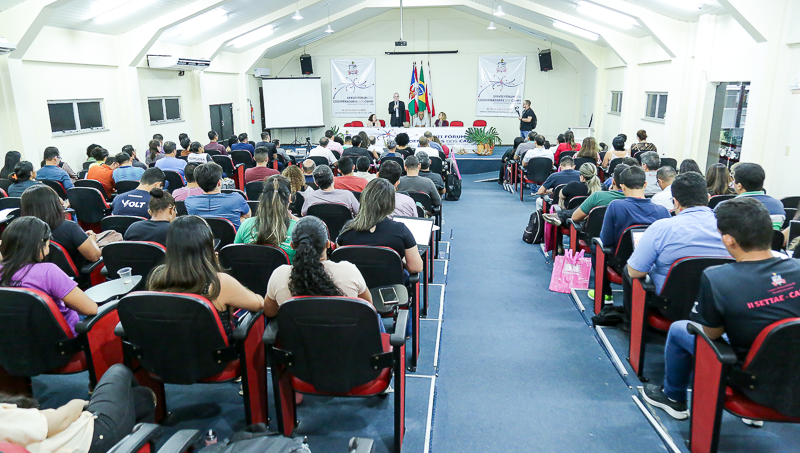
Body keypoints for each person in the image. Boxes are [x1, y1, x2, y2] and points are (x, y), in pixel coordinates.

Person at [641, 197, 800, 420]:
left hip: (749, 375)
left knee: (679, 329)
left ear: (729, 240)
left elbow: (711, 333)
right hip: (792, 369)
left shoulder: (718, 277)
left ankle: (673, 398)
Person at [624, 171, 731, 320]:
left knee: (629, 268)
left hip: (672, 307)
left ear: (676, 202)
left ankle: (633, 324)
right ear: (708, 198)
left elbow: (635, 272)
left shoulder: (661, 228)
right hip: (717, 306)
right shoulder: (730, 230)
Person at [0, 362, 156, 453]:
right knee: (119, 371)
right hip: (93, 438)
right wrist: (81, 403)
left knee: (141, 398)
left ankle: (142, 434)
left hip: (76, 443)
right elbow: (60, 420)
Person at [147, 216, 263, 339]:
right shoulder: (219, 283)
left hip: (171, 352)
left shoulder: (157, 277)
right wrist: (216, 269)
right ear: (207, 248)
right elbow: (259, 304)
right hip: (214, 356)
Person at [0, 217, 98, 335]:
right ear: (40, 244)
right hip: (64, 337)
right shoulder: (48, 272)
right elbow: (91, 309)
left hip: (20, 339)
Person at [263, 216, 375, 317]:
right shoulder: (349, 271)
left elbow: (269, 312)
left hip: (296, 340)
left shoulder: (279, 275)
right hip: (344, 339)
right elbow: (368, 307)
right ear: (327, 244)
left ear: (292, 245)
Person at [593, 166, 671, 301]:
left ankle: (605, 292)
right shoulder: (662, 211)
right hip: (653, 265)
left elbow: (605, 240)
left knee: (597, 246)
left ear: (622, 187)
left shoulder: (615, 206)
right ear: (645, 184)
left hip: (621, 263)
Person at [338, 178, 424, 274]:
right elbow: (416, 267)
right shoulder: (400, 230)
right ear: (390, 204)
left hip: (354, 287)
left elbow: (339, 261)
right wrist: (400, 261)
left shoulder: (347, 229)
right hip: (391, 287)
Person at [21, 185, 102, 269]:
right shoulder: (69, 228)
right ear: (53, 204)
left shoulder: (21, 230)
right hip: (76, 277)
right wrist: (92, 239)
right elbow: (95, 256)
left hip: (44, 276)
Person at [235, 175, 298, 262]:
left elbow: (235, 256)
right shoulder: (299, 229)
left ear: (263, 198)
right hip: (286, 275)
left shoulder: (246, 224)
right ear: (289, 198)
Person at [184, 163, 251, 229]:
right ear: (219, 183)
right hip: (232, 239)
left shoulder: (189, 202)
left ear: (198, 184)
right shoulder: (237, 198)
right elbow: (248, 215)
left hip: (202, 239)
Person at [732, 162, 785, 230]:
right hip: (770, 240)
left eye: (733, 180)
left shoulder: (727, 207)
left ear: (739, 186)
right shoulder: (778, 205)